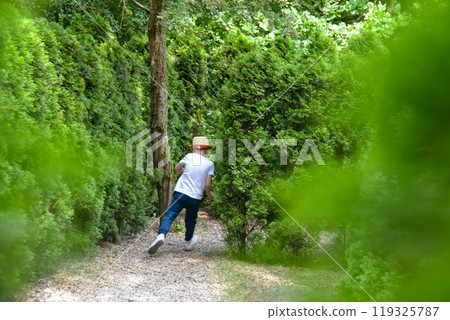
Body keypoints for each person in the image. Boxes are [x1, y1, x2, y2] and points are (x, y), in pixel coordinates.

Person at [148, 136, 214, 255]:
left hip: (181, 192)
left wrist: (184, 173)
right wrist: (209, 193)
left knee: (170, 214)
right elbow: (207, 184)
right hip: (195, 197)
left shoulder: (188, 157)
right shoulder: (209, 164)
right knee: (190, 219)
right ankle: (188, 241)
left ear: (195, 148)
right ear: (205, 150)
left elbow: (177, 168)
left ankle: (161, 235)